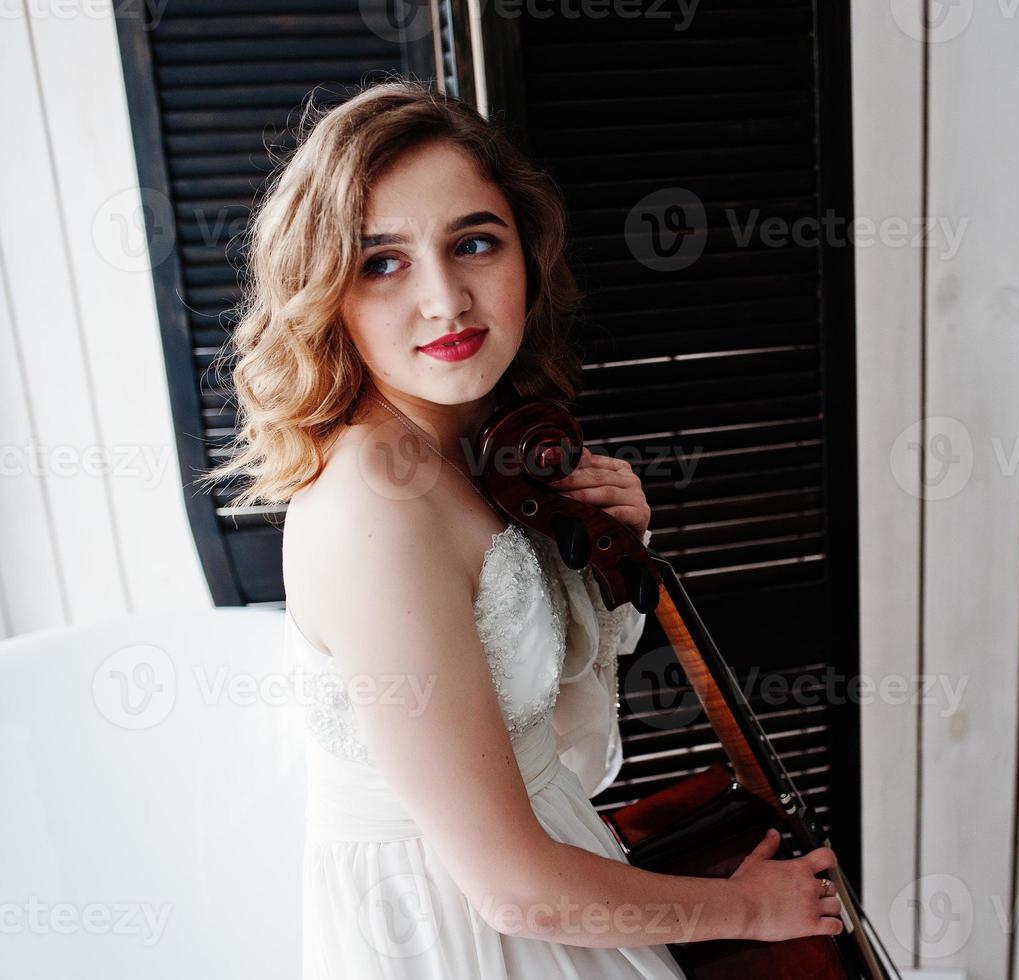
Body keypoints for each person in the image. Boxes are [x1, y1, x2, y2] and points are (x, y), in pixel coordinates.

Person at [201, 79, 843, 978]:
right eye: (381, 261)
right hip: (465, 936)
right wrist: (749, 909)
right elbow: (510, 886)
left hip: (550, 879)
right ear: (325, 293)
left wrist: (595, 552)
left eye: (473, 243)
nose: (446, 301)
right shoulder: (377, 509)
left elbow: (552, 754)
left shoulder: (477, 457)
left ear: (526, 256)